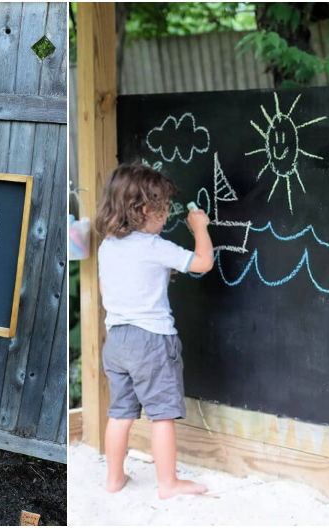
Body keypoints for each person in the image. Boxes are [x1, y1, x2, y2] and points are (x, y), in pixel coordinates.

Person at [93, 162, 213, 499]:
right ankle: (168, 484)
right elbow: (202, 263)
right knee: (162, 415)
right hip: (151, 340)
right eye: (164, 207)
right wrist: (199, 228)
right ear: (146, 209)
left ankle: (114, 479)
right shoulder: (154, 246)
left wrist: (153, 279)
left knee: (119, 413)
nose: (168, 214)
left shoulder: (108, 245)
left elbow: (107, 291)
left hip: (117, 340)